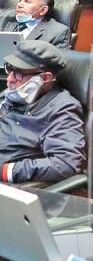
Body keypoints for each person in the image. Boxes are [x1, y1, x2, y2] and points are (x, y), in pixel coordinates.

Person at [0, 40, 85, 183]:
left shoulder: (61, 109)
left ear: (45, 78)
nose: (10, 79)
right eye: (9, 69)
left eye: (19, 74)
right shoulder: (11, 95)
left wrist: (7, 171)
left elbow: (66, 164)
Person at [0, 0, 70, 49]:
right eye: (20, 0)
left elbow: (57, 61)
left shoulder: (58, 32)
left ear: (43, 10)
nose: (19, 5)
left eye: (27, 1)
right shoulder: (5, 19)